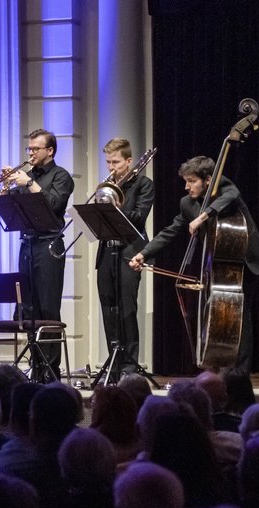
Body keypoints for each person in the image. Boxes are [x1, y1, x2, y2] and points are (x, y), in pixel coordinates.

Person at [129, 156, 259, 377]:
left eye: (191, 181)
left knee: (241, 317)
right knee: (219, 316)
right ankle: (219, 367)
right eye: (185, 181)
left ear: (207, 180)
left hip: (245, 261)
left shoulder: (224, 189)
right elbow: (171, 231)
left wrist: (204, 216)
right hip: (218, 264)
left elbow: (233, 194)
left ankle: (239, 374)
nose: (186, 187)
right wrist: (143, 253)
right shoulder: (187, 203)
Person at [3, 128, 74, 379]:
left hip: (49, 246)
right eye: (29, 148)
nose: (30, 153)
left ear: (50, 151)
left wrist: (28, 183)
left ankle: (50, 369)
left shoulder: (61, 176)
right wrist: (6, 189)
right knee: (29, 309)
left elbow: (54, 204)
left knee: (48, 309)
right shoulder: (26, 176)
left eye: (35, 148)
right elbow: (11, 210)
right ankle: (35, 364)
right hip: (27, 245)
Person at [95, 138, 154, 379]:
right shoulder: (106, 186)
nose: (111, 167)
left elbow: (139, 218)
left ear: (129, 161)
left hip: (130, 252)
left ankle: (129, 364)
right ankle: (114, 361)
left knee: (126, 308)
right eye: (108, 162)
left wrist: (117, 206)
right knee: (108, 307)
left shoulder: (143, 184)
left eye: (116, 162)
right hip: (107, 252)